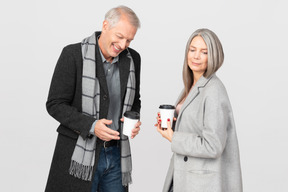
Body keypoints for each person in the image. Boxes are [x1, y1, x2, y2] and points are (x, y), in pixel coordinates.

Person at [45, 5, 141, 192]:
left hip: (116, 153)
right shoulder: (73, 55)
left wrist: (133, 118)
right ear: (105, 25)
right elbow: (55, 104)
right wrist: (91, 125)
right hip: (77, 154)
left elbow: (135, 99)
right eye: (120, 37)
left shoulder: (133, 59)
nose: (123, 45)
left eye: (129, 40)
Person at [155, 28, 242, 192]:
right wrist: (170, 125)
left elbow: (213, 145)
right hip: (184, 177)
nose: (196, 56)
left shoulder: (214, 90)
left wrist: (174, 137)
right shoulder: (192, 87)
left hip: (201, 183)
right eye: (192, 50)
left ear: (214, 56)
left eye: (204, 52)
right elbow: (193, 127)